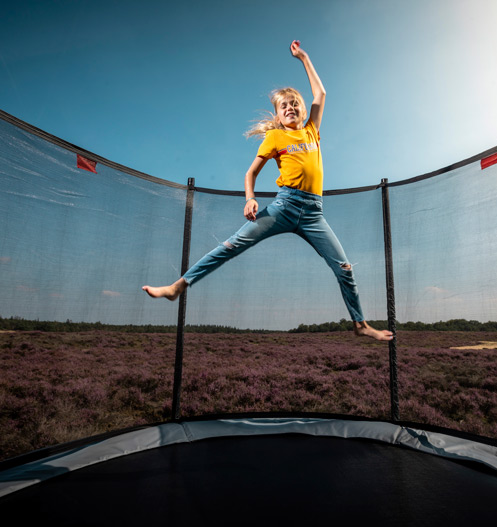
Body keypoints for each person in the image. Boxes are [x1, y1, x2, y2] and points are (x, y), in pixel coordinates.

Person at [143, 40, 393, 342]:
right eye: (283, 106)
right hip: (284, 207)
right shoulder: (274, 137)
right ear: (277, 116)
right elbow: (250, 173)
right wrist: (250, 198)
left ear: (302, 110)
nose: (290, 107)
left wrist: (304, 58)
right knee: (232, 245)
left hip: (314, 214)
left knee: (345, 268)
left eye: (294, 103)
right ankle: (177, 287)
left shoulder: (312, 130)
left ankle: (360, 324)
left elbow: (321, 93)